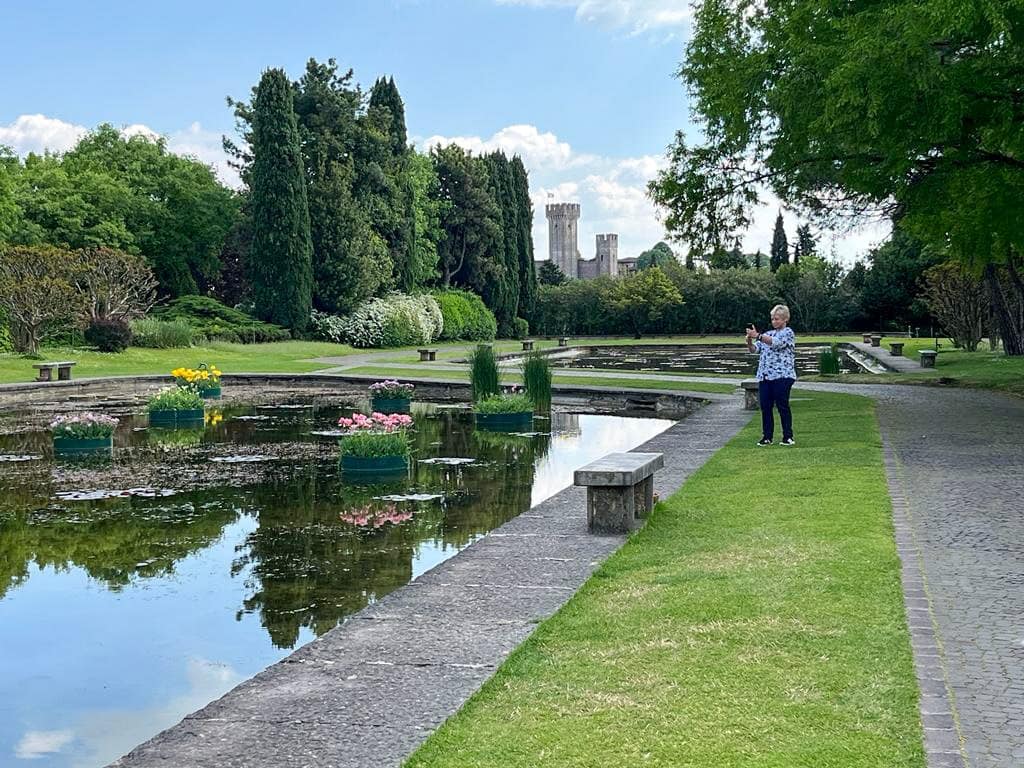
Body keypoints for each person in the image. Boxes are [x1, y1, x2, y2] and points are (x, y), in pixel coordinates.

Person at [745, 305, 796, 446]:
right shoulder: (768, 333)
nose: (774, 321)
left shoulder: (788, 333)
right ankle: (767, 436)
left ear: (785, 319)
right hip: (765, 376)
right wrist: (750, 341)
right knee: (765, 406)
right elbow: (755, 350)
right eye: (772, 319)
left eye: (777, 319)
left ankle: (788, 436)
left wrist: (759, 336)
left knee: (782, 405)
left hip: (782, 375)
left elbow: (777, 344)